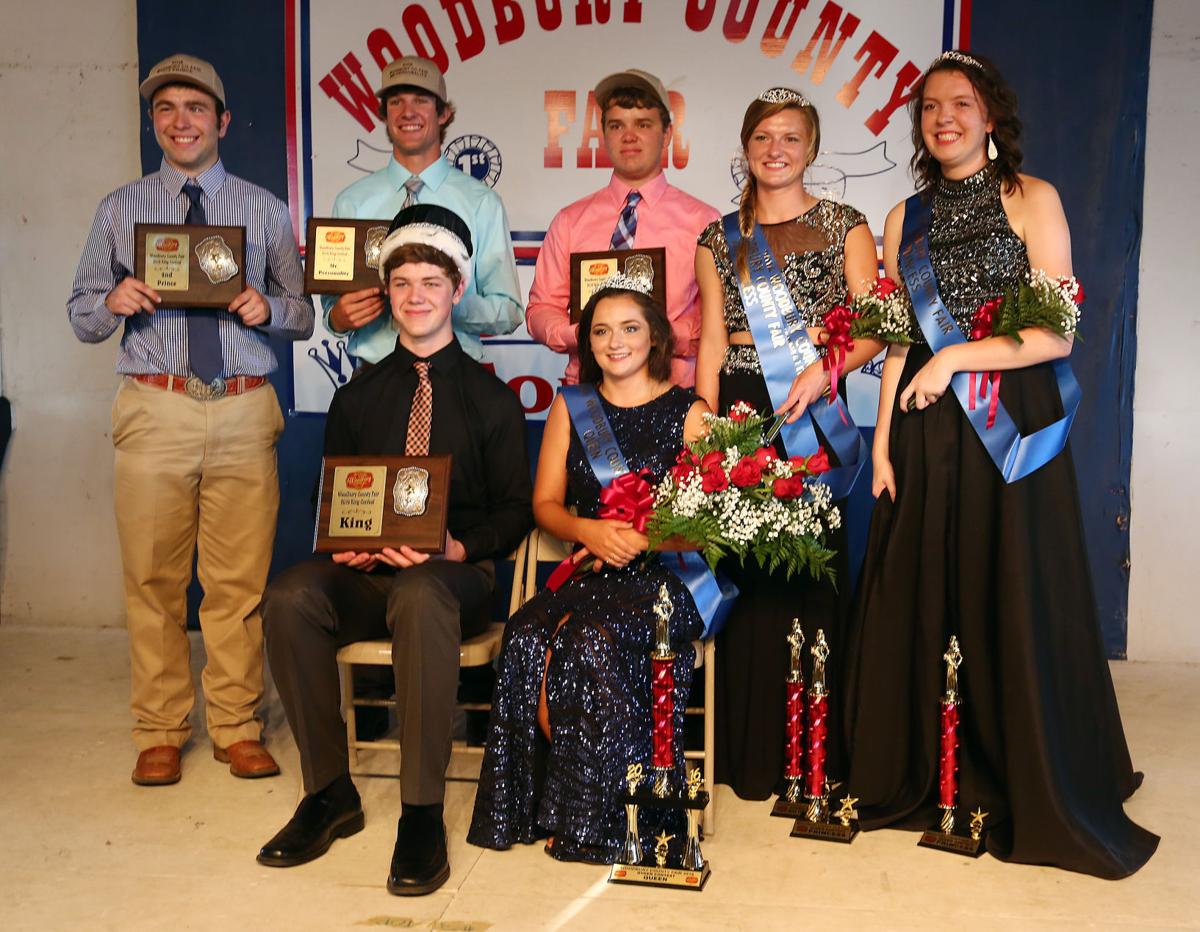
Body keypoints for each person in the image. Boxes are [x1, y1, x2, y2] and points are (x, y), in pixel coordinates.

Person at [841, 51, 1159, 878]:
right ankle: (932, 767)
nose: (944, 117)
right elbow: (901, 341)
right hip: (919, 432)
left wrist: (958, 361)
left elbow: (1057, 332)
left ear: (991, 116)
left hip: (1008, 428)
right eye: (930, 107)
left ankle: (1025, 764)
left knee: (1007, 590)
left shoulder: (1034, 198)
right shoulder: (902, 216)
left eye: (961, 103)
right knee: (924, 589)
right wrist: (878, 447)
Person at [256, 205, 532, 895]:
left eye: (430, 284)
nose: (415, 296)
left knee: (419, 591)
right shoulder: (359, 395)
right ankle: (328, 793)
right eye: (402, 282)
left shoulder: (493, 401)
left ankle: (420, 812)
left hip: (452, 579)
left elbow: (516, 511)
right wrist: (344, 544)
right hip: (369, 574)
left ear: (456, 292)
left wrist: (458, 544)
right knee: (289, 596)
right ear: (389, 294)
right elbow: (339, 493)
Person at [67, 53, 315, 786]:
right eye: (168, 109)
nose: (182, 121)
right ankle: (162, 727)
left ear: (222, 121)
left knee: (238, 584)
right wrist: (110, 303)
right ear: (154, 123)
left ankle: (239, 724)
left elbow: (302, 314)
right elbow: (80, 313)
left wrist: (269, 308)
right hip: (156, 401)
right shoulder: (119, 209)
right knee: (153, 581)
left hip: (242, 405)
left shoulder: (265, 209)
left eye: (196, 109)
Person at [468, 280, 709, 863]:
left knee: (587, 641)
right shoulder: (571, 406)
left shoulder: (692, 411)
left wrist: (641, 537)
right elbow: (546, 505)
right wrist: (590, 531)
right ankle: (561, 802)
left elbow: (708, 521)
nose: (614, 341)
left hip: (670, 578)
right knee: (526, 636)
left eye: (629, 328)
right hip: (594, 568)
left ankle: (602, 816)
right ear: (586, 343)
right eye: (600, 331)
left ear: (655, 336)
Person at [693, 89, 881, 799]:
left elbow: (874, 326)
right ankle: (749, 755)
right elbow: (710, 339)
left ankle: (810, 755)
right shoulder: (718, 237)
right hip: (741, 407)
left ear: (812, 147)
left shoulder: (845, 225)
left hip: (810, 404)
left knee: (807, 574)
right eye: (764, 136)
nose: (776, 149)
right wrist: (706, 416)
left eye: (791, 138)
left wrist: (823, 366)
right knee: (748, 575)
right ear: (746, 146)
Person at [323, 55, 522, 365]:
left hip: (456, 376)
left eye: (421, 100)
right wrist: (338, 317)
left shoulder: (481, 202)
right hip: (374, 377)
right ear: (385, 115)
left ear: (444, 113)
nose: (408, 112)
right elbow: (332, 305)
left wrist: (444, 301)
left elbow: (509, 311)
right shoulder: (352, 202)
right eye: (396, 102)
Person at [526, 68, 719, 386]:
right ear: (603, 135)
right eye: (617, 126)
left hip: (674, 395)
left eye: (643, 124)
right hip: (589, 398)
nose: (629, 136)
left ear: (667, 134)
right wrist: (588, 333)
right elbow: (540, 310)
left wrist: (662, 334)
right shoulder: (570, 221)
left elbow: (721, 319)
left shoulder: (704, 222)